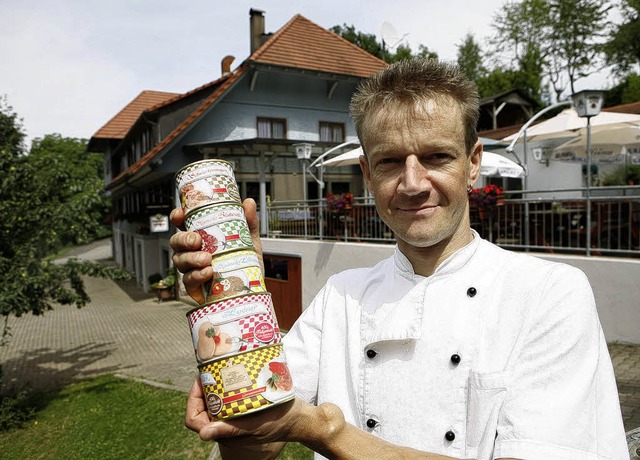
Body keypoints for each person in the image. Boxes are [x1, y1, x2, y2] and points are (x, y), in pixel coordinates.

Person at [170, 59, 628, 459]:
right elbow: (256, 443)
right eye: (390, 162)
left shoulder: (547, 292)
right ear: (367, 174)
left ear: (473, 163)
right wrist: (235, 297)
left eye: (435, 157)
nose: (412, 183)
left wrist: (324, 431)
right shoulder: (340, 298)